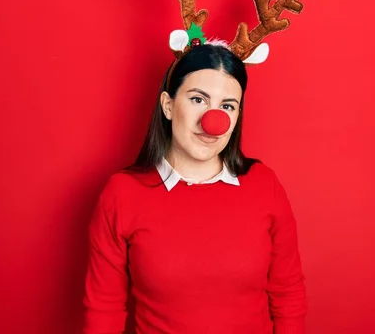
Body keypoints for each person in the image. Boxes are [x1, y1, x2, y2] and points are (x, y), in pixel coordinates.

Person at [82, 44, 308, 333]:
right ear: (167, 104)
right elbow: (104, 307)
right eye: (198, 99)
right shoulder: (122, 193)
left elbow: (288, 293)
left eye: (227, 106)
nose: (213, 122)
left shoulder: (265, 185)